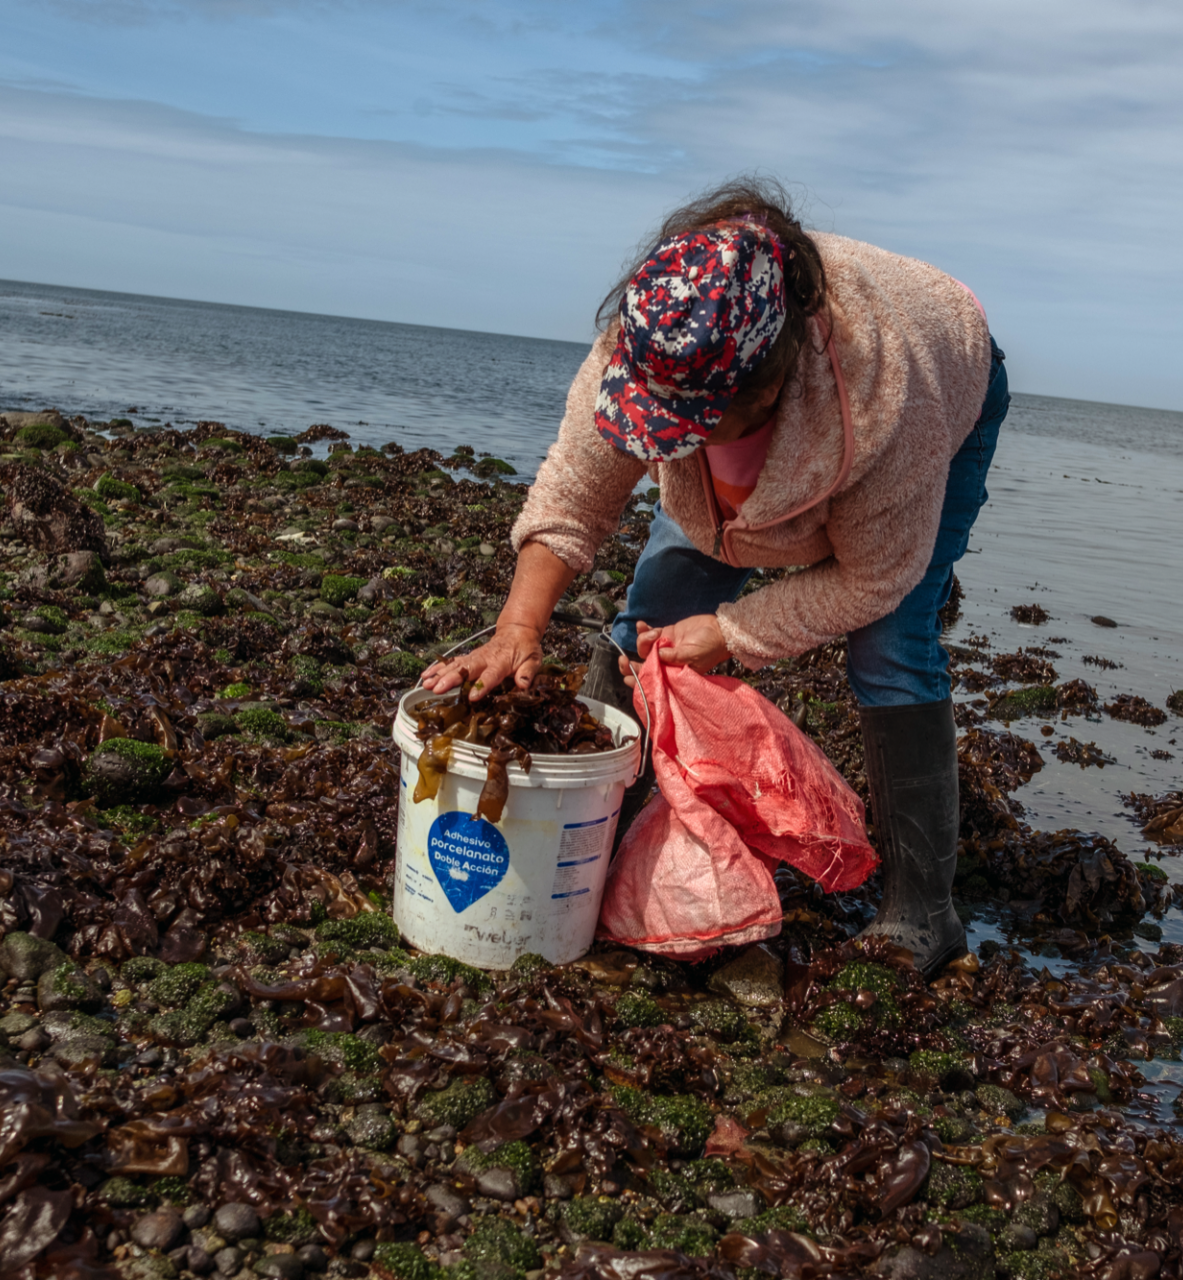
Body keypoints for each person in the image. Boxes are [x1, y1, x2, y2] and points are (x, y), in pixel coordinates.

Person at [420, 178, 1009, 975]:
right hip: (752, 415)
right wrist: (517, 628)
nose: (663, 435)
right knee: (660, 600)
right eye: (653, 417)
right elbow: (573, 495)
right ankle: (592, 836)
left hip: (947, 381)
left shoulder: (883, 404)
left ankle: (924, 908)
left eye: (685, 424)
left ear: (765, 391)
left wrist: (732, 633)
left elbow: (876, 578)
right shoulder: (655, 334)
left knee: (892, 644)